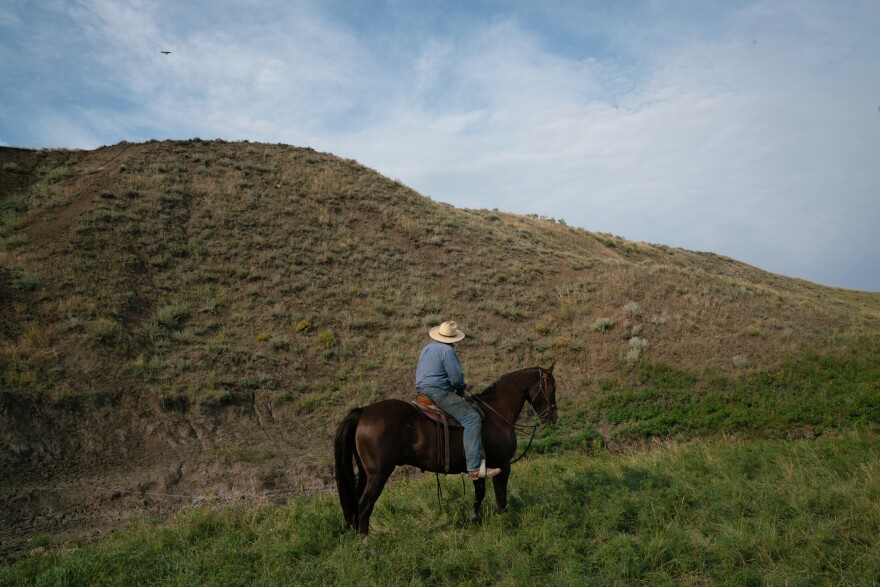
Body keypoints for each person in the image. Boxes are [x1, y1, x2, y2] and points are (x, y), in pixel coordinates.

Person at [415, 320, 501, 480]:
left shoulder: (426, 348)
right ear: (453, 339)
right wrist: (461, 386)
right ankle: (474, 468)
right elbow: (455, 378)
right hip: (438, 392)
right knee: (472, 419)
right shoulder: (447, 351)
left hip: (421, 391)